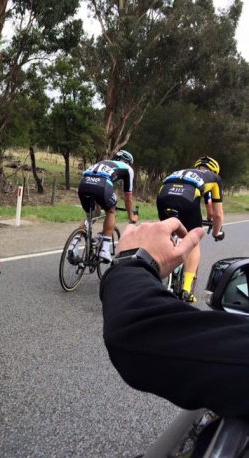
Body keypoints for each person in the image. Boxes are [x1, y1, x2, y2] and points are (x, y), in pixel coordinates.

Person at [100, 218, 249, 418]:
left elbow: (137, 332)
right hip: (190, 213)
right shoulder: (213, 184)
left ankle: (103, 246)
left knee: (110, 211)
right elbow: (217, 211)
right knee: (193, 244)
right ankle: (187, 287)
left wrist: (131, 257)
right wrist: (217, 230)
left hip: (166, 211)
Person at [156, 156, 225, 302]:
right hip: (186, 199)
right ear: (215, 171)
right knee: (193, 240)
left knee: (167, 232)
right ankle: (186, 290)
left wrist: (209, 215)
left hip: (163, 196)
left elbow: (209, 210)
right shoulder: (214, 178)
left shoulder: (184, 172)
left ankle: (155, 271)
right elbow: (217, 214)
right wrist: (216, 232)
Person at [69, 150, 138, 263]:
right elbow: (128, 196)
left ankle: (74, 243)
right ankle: (105, 250)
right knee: (111, 210)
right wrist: (131, 216)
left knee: (91, 216)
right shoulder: (128, 169)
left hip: (84, 184)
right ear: (128, 162)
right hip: (102, 184)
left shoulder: (103, 162)